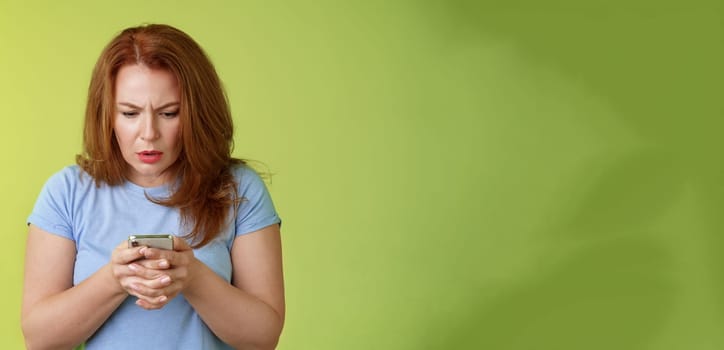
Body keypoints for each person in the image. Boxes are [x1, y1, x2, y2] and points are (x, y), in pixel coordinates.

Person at [21, 24, 285, 350]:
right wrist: (114, 280)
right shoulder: (66, 192)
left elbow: (264, 337)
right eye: (130, 113)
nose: (149, 133)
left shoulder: (239, 189)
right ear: (108, 115)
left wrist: (193, 277)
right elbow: (39, 339)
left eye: (169, 113)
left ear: (196, 114)